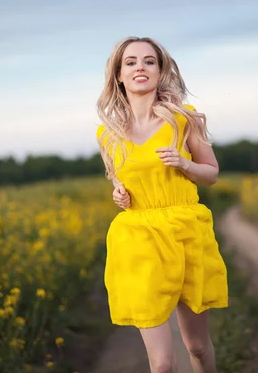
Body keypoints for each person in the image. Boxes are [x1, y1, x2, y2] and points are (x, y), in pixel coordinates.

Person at [95, 36, 228, 373]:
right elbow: (121, 184)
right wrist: (120, 196)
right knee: (163, 364)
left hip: (185, 234)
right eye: (131, 62)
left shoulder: (184, 120)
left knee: (196, 347)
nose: (140, 66)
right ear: (119, 76)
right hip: (140, 240)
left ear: (160, 71)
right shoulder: (108, 134)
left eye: (149, 61)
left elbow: (211, 173)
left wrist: (184, 165)